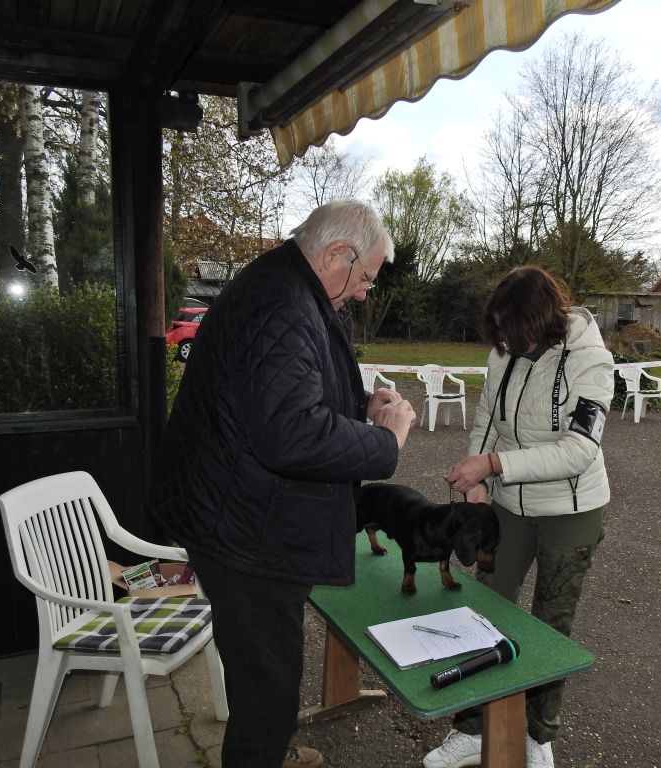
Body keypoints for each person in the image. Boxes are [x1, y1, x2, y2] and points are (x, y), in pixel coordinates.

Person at [147, 200, 417, 768]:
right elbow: (291, 434)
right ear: (337, 254)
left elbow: (287, 394)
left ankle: (270, 751)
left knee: (265, 679)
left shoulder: (289, 286)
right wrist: (386, 441)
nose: (364, 292)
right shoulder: (282, 303)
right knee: (267, 694)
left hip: (239, 514)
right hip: (244, 532)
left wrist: (360, 406)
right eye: (366, 277)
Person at [426, 265, 615, 768]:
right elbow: (487, 420)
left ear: (540, 319)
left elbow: (579, 450)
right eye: (499, 331)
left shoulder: (592, 361)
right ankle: (470, 728)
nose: (504, 341)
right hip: (508, 507)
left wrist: (493, 465)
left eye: (512, 330)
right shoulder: (502, 353)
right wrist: (478, 478)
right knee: (483, 611)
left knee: (552, 623)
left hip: (572, 511)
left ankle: (539, 735)